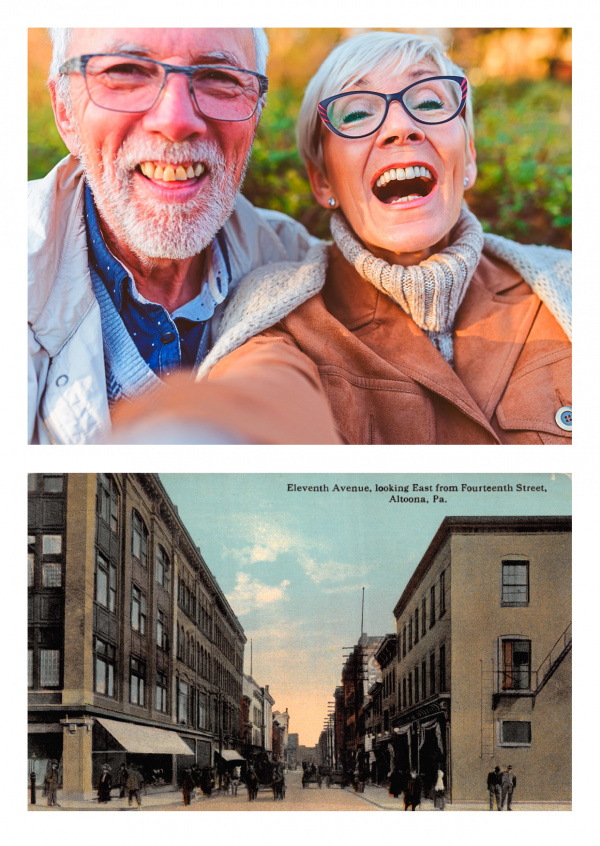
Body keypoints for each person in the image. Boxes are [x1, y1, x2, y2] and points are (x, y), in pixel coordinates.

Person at [199, 30, 571, 445]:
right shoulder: (277, 318)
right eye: (356, 114)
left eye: (430, 103)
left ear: (468, 158)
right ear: (322, 181)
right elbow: (257, 401)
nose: (401, 127)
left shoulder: (571, 286)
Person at [28, 27, 329, 445]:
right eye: (126, 71)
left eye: (218, 78)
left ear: (256, 112)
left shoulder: (301, 266)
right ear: (65, 110)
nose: (176, 121)